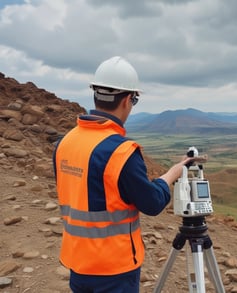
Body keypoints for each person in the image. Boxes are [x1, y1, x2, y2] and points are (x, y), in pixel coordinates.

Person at [52, 56, 193, 293]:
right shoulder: (121, 152)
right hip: (113, 268)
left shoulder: (64, 143)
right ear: (128, 99)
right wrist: (172, 174)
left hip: (77, 262)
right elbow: (152, 203)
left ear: (95, 94)